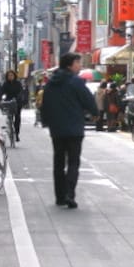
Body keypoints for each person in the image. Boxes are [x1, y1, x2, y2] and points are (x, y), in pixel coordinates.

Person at [40, 52, 99, 209]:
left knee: (58, 162)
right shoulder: (76, 82)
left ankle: (59, 196)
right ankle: (69, 194)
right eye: (78, 63)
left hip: (57, 128)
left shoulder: (51, 82)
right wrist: (95, 113)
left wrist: (46, 121)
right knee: (73, 162)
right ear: (70, 64)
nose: (80, 66)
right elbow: (88, 100)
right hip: (74, 128)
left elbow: (45, 104)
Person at [0, 70, 24, 141]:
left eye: (11, 75)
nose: (10, 77)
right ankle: (9, 127)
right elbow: (2, 92)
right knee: (9, 116)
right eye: (9, 76)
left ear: (14, 76)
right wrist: (1, 98)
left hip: (17, 102)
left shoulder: (18, 83)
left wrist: (17, 98)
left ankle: (16, 134)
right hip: (8, 102)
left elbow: (21, 92)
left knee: (17, 118)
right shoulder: (5, 84)